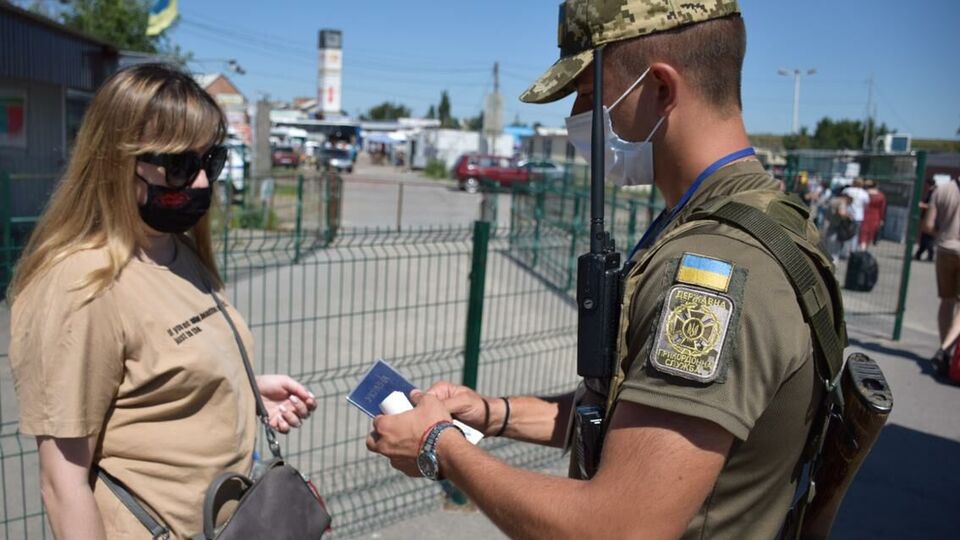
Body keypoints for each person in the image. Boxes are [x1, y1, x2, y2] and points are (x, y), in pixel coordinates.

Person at [366, 2, 843, 538]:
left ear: (661, 89)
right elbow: (632, 415)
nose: (575, 116)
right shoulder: (757, 215)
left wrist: (439, 446)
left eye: (590, 95)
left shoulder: (717, 269)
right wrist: (491, 412)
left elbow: (616, 528)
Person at [7, 64, 317, 539]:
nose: (198, 184)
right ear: (114, 162)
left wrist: (238, 387)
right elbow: (61, 482)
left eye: (209, 163)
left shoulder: (175, 248)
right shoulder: (80, 287)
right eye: (177, 166)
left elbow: (155, 369)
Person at [922, 176, 960, 375]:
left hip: (945, 249)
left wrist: (943, 234)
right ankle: (946, 348)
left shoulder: (942, 190)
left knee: (946, 302)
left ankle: (945, 353)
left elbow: (927, 225)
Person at [843, 178, 870, 252]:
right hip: (858, 216)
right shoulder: (864, 193)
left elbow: (842, 200)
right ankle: (852, 251)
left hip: (847, 214)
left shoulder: (847, 190)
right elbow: (866, 205)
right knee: (854, 235)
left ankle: (844, 252)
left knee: (845, 233)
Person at [859, 179, 887, 249]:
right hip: (875, 216)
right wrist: (882, 219)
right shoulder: (881, 196)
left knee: (863, 234)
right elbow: (882, 209)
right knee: (870, 234)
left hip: (864, 214)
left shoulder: (864, 194)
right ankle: (865, 249)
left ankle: (862, 248)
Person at [915, 178, 937, 261]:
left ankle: (929, 255)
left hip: (930, 218)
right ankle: (919, 254)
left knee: (927, 237)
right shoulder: (931, 193)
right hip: (926, 217)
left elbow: (932, 206)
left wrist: (922, 205)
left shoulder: (934, 193)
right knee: (925, 237)